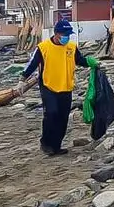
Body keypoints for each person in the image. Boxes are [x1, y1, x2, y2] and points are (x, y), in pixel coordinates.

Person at [17, 20, 98, 156]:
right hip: (49, 86)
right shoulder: (43, 47)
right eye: (64, 34)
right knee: (51, 114)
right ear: (56, 34)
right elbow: (32, 64)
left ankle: (57, 146)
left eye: (68, 34)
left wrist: (91, 62)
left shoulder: (71, 47)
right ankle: (46, 143)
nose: (66, 37)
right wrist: (22, 80)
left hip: (66, 86)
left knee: (62, 117)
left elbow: (80, 60)